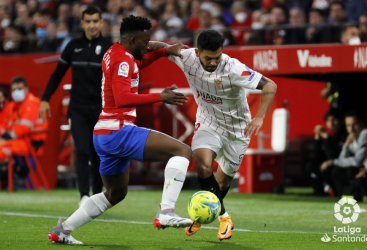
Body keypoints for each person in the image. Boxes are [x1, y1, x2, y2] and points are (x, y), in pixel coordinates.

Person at [47, 15, 193, 245]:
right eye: (145, 41)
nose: (148, 45)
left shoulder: (116, 52)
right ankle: (166, 211)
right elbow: (123, 98)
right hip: (119, 131)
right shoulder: (123, 61)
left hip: (104, 135)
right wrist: (160, 96)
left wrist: (164, 51)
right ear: (133, 40)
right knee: (182, 151)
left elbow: (141, 61)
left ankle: (62, 229)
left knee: (115, 194)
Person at [167, 30, 277, 240]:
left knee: (223, 182)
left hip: (238, 130)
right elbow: (152, 46)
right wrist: (163, 48)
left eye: (217, 57)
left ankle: (204, 214)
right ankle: (224, 217)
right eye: (208, 58)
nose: (213, 62)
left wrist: (260, 117)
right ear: (197, 52)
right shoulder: (186, 57)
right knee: (203, 165)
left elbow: (270, 85)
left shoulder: (233, 68)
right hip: (208, 123)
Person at [39, 6, 113, 206]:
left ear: (101, 23)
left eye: (95, 21)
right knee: (81, 150)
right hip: (78, 109)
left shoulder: (109, 48)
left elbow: (117, 80)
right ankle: (83, 196)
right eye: (88, 21)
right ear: (82, 23)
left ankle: (97, 194)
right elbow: (57, 75)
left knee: (99, 152)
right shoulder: (73, 46)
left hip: (100, 109)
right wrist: (45, 98)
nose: (92, 25)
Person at [320, 110, 367, 199]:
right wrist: (346, 146)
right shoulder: (353, 138)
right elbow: (342, 160)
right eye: (348, 125)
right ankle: (344, 199)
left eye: (354, 124)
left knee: (351, 173)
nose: (351, 129)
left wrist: (333, 162)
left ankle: (355, 198)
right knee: (337, 172)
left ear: (362, 124)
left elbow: (357, 161)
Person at [0, 76, 48, 164]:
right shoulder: (17, 106)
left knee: (2, 148)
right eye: (14, 90)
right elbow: (8, 125)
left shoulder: (32, 103)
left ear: (26, 89)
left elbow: (24, 127)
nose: (16, 92)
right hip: (22, 141)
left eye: (19, 89)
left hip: (31, 144)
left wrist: (7, 137)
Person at [305, 108, 347, 196]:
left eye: (334, 120)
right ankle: (319, 193)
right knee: (311, 166)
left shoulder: (345, 136)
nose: (331, 123)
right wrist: (317, 139)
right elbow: (317, 156)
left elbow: (334, 156)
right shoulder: (330, 137)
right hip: (329, 165)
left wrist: (327, 138)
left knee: (330, 170)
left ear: (341, 121)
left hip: (341, 166)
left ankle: (336, 193)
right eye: (328, 120)